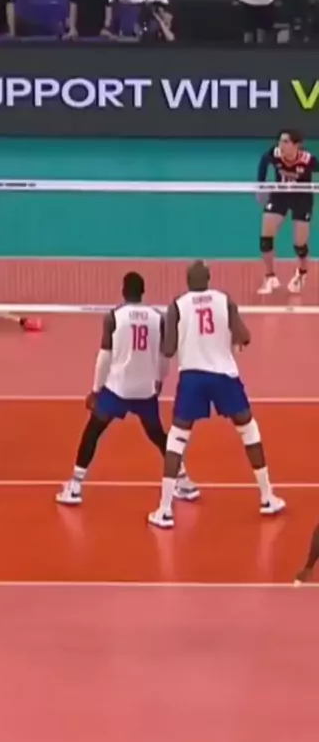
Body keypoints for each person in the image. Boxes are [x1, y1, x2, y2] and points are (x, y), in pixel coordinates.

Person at [148, 261, 285, 529]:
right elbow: (244, 335)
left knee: (177, 438)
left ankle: (164, 510)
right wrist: (235, 340)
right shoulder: (224, 300)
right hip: (224, 376)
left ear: (188, 280)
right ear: (209, 279)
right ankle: (267, 497)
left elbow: (168, 349)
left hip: (192, 378)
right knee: (248, 430)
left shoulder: (178, 305)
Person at [56, 272, 196, 506]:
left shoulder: (113, 317)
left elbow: (104, 357)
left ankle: (75, 486)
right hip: (145, 390)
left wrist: (96, 389)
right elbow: (164, 356)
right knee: (158, 435)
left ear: (123, 291)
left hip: (117, 390)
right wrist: (159, 380)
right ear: (143, 292)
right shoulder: (158, 318)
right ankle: (184, 481)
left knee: (93, 431)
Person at [257, 130, 319, 295]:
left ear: (296, 145)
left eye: (285, 142)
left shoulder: (308, 160)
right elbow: (264, 161)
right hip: (280, 195)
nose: (281, 145)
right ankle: (270, 277)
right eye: (280, 141)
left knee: (300, 245)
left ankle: (302, 273)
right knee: (265, 240)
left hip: (302, 199)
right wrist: (260, 185)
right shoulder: (275, 153)